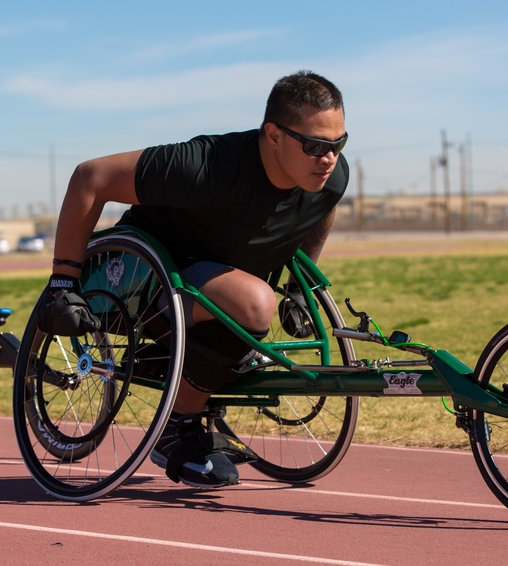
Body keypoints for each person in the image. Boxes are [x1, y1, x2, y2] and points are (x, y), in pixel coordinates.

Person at [39, 70, 349, 489]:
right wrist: (63, 283)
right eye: (315, 146)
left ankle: (206, 376)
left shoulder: (330, 178)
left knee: (252, 305)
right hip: (140, 282)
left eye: (338, 144)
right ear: (273, 135)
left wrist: (296, 291)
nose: (328, 159)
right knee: (255, 304)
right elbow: (89, 177)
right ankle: (178, 424)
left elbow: (322, 208)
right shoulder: (208, 165)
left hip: (216, 284)